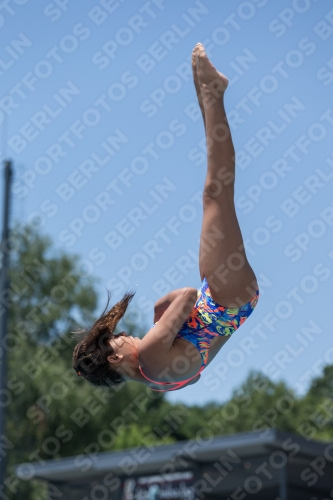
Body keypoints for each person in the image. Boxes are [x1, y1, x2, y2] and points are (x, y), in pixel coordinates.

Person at [72, 43, 259, 392]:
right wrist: (162, 314)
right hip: (221, 296)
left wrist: (173, 327)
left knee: (216, 194)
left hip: (234, 303)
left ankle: (208, 95)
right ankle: (212, 95)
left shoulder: (159, 383)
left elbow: (197, 374)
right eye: (121, 337)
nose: (131, 336)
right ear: (114, 358)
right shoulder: (147, 354)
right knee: (215, 194)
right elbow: (187, 295)